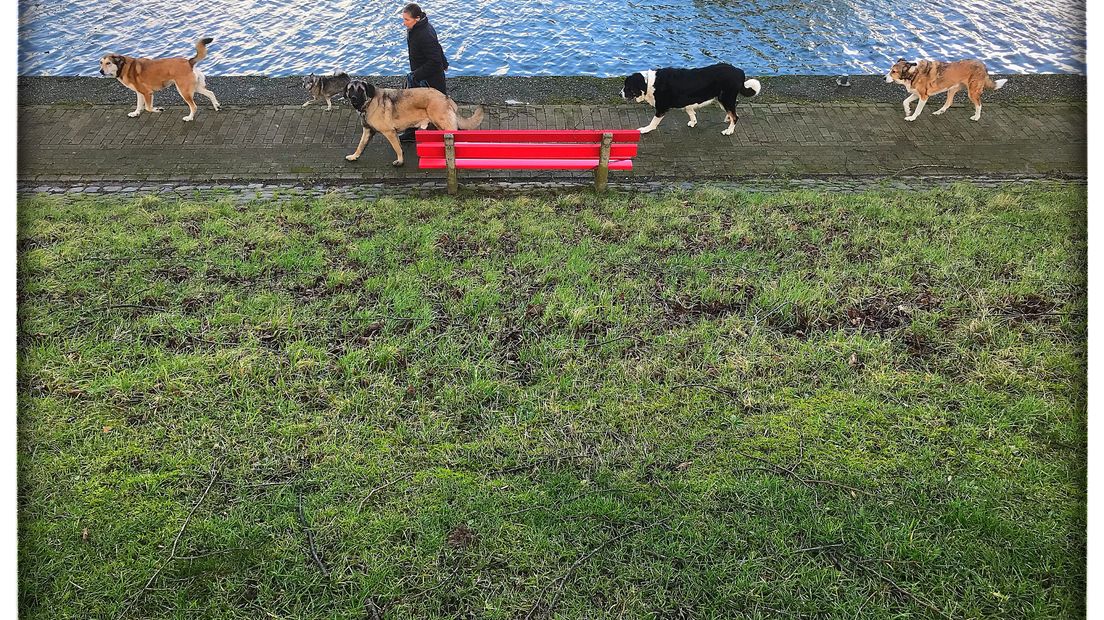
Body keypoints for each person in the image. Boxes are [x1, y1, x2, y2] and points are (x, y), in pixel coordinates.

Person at [400, 3, 449, 141]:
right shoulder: (417, 28)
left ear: (416, 18)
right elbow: (437, 47)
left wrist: (416, 75)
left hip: (428, 79)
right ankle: (413, 131)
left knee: (417, 105)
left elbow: (434, 61)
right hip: (421, 74)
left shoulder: (424, 34)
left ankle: (415, 132)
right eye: (403, 19)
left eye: (406, 20)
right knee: (413, 104)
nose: (404, 23)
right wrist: (445, 62)